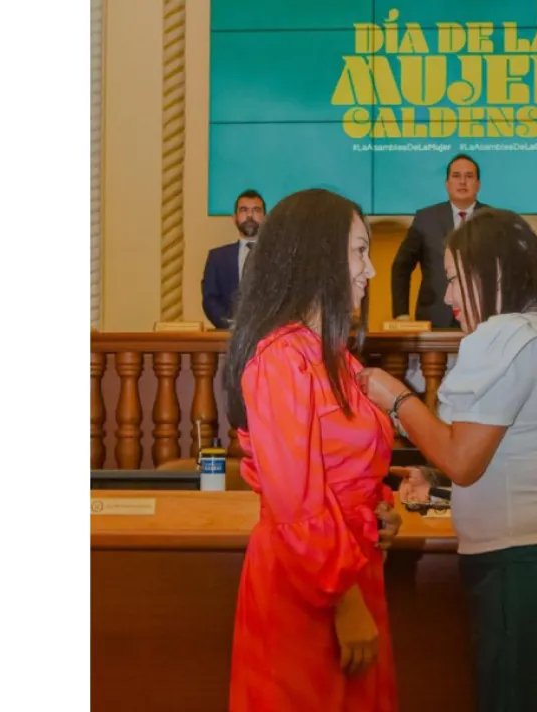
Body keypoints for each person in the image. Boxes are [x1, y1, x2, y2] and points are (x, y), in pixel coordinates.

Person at [359, 209, 537, 712]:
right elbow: (513, 461)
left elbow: (464, 460)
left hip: (525, 577)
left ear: (494, 274)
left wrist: (394, 397)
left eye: (455, 279)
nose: (448, 296)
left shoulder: (505, 333)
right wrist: (437, 487)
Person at [224, 188, 402, 711]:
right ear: (316, 254)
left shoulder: (337, 359)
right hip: (310, 585)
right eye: (360, 252)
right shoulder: (280, 359)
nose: (370, 271)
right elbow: (296, 501)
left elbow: (348, 465)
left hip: (350, 567)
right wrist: (344, 602)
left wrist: (381, 508)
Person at [390, 153, 488, 329]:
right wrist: (401, 314)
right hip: (434, 318)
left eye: (469, 176)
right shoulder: (425, 218)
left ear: (478, 184)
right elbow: (401, 266)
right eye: (456, 176)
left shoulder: (493, 220)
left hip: (482, 317)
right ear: (447, 184)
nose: (462, 182)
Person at [201, 189, 266, 329]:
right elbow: (210, 299)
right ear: (234, 217)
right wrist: (230, 325)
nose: (250, 215)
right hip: (228, 339)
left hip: (270, 338)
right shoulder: (217, 257)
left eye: (256, 210)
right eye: (244, 210)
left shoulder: (278, 256)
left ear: (265, 218)